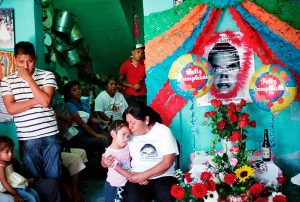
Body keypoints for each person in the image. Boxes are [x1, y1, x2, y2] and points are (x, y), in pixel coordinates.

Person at [1, 41, 61, 202]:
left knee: (54, 177)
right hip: (27, 137)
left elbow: (46, 102)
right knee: (34, 180)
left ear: (36, 58)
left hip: (50, 135)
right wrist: (37, 100)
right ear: (14, 60)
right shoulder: (7, 81)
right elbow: (11, 109)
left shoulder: (47, 75)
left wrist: (28, 79)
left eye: (29, 61)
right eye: (21, 62)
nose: (26, 66)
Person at [103, 102, 178, 202]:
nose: (130, 127)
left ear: (146, 120)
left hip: (163, 176)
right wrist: (104, 162)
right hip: (136, 176)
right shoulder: (128, 134)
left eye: (133, 123)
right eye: (128, 123)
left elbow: (167, 162)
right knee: (133, 198)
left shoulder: (163, 131)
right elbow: (112, 151)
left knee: (167, 196)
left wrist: (143, 175)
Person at [63, 80, 109, 156]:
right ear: (69, 94)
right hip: (79, 135)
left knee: (109, 135)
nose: (78, 91)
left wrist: (103, 122)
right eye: (74, 90)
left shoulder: (83, 102)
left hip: (89, 131)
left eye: (79, 89)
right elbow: (82, 124)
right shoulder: (69, 105)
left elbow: (91, 118)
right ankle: (102, 163)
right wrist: (96, 135)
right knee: (103, 140)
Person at [0, 136, 40, 202]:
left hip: (15, 185)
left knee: (35, 193)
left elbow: (12, 176)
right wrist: (15, 194)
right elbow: (4, 183)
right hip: (10, 188)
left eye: (11, 151)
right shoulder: (1, 166)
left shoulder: (8, 162)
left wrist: (26, 179)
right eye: (7, 152)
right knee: (31, 198)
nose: (10, 154)